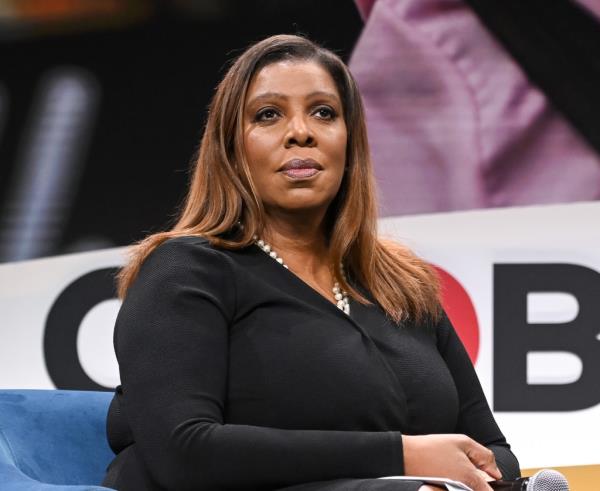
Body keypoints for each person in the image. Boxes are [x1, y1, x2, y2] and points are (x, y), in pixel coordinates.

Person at [103, 34, 520, 491]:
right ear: (231, 147)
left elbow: (494, 451)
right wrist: (404, 458)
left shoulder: (403, 283)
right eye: (268, 115)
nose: (301, 132)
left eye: (324, 112)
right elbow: (184, 452)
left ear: (350, 141)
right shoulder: (186, 271)